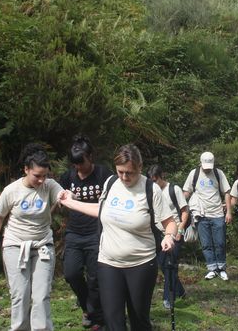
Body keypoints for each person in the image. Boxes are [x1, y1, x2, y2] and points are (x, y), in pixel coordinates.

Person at [59, 144, 176, 331]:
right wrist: (71, 203)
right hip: (108, 263)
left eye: (129, 173)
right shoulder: (111, 183)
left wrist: (169, 236)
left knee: (139, 320)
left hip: (141, 264)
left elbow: (169, 222)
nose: (124, 177)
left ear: (140, 167)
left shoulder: (150, 189)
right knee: (113, 320)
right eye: (120, 171)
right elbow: (101, 210)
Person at [0, 143, 64, 331]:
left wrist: (66, 196)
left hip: (43, 245)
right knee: (20, 294)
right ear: (26, 170)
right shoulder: (12, 190)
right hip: (15, 246)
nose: (41, 180)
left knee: (41, 294)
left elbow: (61, 193)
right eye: (37, 176)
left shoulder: (49, 186)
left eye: (45, 176)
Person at [59, 135, 113, 329]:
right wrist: (64, 196)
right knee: (71, 274)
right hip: (74, 233)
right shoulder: (68, 176)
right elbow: (60, 197)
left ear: (91, 157)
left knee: (94, 278)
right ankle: (88, 308)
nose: (78, 168)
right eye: (75, 165)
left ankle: (96, 317)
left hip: (97, 233)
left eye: (81, 164)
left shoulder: (103, 174)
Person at [182, 151, 232, 281]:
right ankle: (212, 269)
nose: (208, 169)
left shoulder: (218, 173)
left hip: (217, 213)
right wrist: (180, 203)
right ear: (200, 163)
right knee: (206, 244)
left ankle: (221, 268)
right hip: (201, 214)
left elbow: (226, 192)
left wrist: (229, 211)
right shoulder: (194, 174)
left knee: (220, 242)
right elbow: (186, 191)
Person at [147, 165, 189, 309]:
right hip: (158, 234)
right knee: (164, 267)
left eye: (155, 180)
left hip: (175, 232)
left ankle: (168, 298)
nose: (154, 183)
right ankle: (181, 291)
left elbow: (184, 211)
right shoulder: (150, 191)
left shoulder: (174, 189)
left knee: (169, 266)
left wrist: (180, 230)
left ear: (161, 176)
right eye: (151, 181)